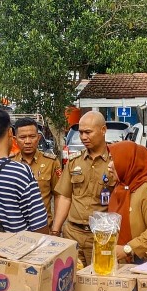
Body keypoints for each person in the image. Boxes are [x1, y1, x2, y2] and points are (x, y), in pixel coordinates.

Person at [52, 111, 115, 265]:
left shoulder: (116, 162)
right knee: (71, 276)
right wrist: (55, 230)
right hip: (73, 234)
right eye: (81, 133)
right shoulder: (75, 161)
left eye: (88, 132)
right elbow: (65, 197)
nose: (83, 137)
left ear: (103, 130)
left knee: (101, 277)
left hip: (102, 236)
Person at [11, 118, 61, 227]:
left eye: (32, 136)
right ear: (15, 139)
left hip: (44, 227)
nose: (28, 141)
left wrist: (56, 228)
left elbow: (59, 196)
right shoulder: (9, 163)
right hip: (17, 228)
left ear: (38, 138)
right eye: (22, 137)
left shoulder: (51, 162)